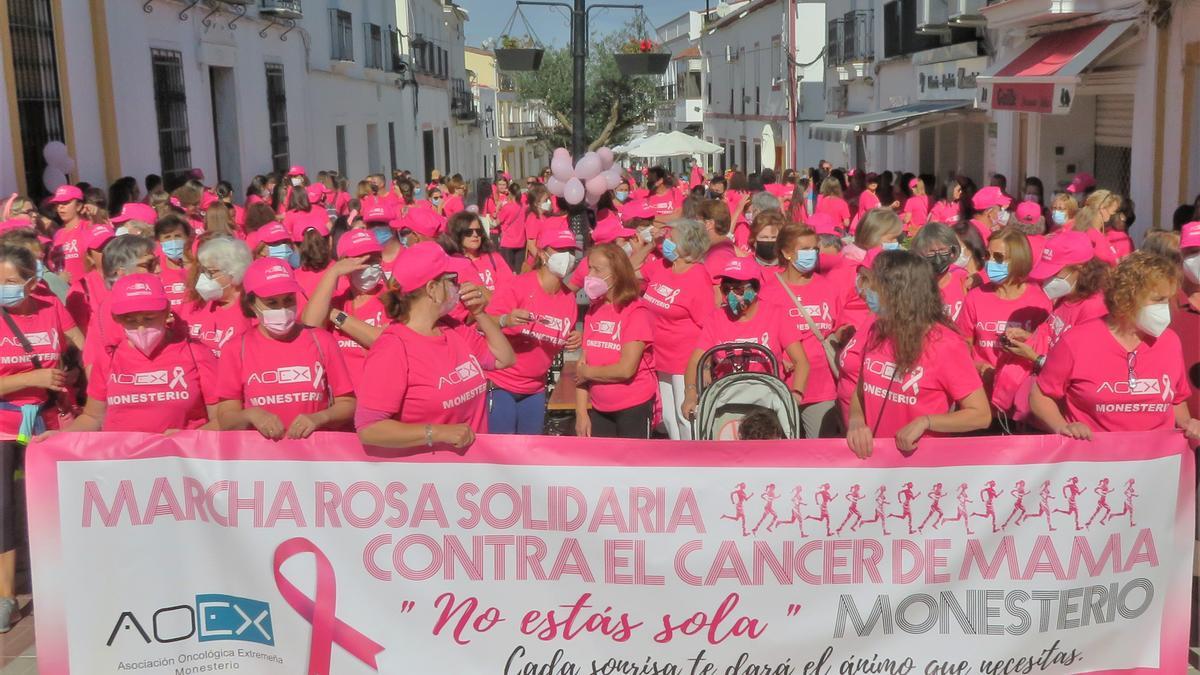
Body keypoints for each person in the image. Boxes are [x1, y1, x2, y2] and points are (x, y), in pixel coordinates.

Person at [0, 243, 86, 630]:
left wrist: (73, 373)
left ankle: (57, 582)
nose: (4, 287)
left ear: (33, 281)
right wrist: (29, 378)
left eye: (11, 281)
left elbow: (85, 350)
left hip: (50, 423)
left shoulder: (52, 308)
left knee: (52, 505)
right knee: (4, 510)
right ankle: (6, 597)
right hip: (4, 427)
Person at [355, 242, 515, 449]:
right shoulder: (393, 347)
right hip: (429, 473)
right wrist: (437, 433)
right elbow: (369, 428)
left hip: (473, 470)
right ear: (432, 289)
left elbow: (505, 359)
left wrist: (480, 313)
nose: (458, 285)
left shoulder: (451, 327)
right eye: (452, 280)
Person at [1031, 252, 1199, 440]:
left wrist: (1187, 423)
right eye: (1158, 300)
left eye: (1168, 299)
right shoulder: (1076, 341)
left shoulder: (1170, 342)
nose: (1165, 308)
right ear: (1126, 297)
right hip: (1097, 461)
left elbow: (1176, 400)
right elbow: (1040, 395)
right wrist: (1064, 427)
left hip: (1155, 462)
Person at [845, 250, 990, 457]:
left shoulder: (945, 345)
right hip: (876, 465)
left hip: (920, 467)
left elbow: (981, 415)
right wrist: (856, 422)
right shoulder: (877, 329)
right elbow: (860, 392)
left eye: (874, 286)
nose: (866, 292)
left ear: (898, 293)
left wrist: (926, 422)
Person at [215, 258, 355, 439]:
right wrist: (251, 415)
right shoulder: (236, 349)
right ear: (252, 304)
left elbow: (348, 403)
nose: (282, 308)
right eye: (272, 303)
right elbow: (226, 418)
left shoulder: (322, 340)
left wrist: (320, 418)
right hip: (262, 459)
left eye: (288, 300)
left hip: (315, 456)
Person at [63, 274, 219, 432]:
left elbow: (221, 420)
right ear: (116, 319)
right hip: (124, 454)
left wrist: (190, 437)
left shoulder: (196, 354)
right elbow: (93, 417)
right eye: (130, 320)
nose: (141, 328)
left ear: (166, 312)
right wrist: (57, 438)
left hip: (179, 455)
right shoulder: (108, 358)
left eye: (149, 318)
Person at [681, 257, 809, 419]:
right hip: (727, 400)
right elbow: (695, 361)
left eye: (739, 290)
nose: (731, 295)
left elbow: (801, 361)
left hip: (767, 400)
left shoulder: (776, 314)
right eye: (726, 289)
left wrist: (795, 395)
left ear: (755, 289)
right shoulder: (716, 318)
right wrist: (691, 395)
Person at [486, 228, 582, 435]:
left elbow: (562, 338)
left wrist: (574, 338)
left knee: (528, 454)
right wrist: (505, 320)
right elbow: (481, 324)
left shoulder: (569, 299)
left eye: (571, 251)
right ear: (542, 253)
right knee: (502, 454)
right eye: (561, 249)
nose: (567, 256)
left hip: (535, 389)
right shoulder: (517, 286)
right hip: (501, 383)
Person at [764, 223, 842, 438]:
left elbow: (837, 328)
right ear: (787, 253)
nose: (813, 254)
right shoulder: (768, 292)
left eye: (815, 249)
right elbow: (761, 333)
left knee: (821, 454)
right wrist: (780, 358)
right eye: (805, 249)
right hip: (782, 386)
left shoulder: (828, 288)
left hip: (822, 387)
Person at [640, 219, 714, 440]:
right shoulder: (663, 267)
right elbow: (630, 268)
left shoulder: (698, 277)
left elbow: (708, 326)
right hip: (660, 356)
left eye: (672, 240)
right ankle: (675, 461)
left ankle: (694, 464)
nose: (667, 243)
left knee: (686, 417)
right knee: (669, 418)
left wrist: (706, 366)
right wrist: (650, 244)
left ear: (687, 246)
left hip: (685, 361)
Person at [575, 243, 657, 438]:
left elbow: (625, 369)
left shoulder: (636, 313)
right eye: (590, 268)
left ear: (617, 274)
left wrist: (588, 372)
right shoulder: (594, 310)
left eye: (597, 269)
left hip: (633, 406)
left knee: (633, 467)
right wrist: (580, 413)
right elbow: (581, 367)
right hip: (599, 408)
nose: (590, 275)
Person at [957, 228, 1051, 399]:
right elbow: (962, 345)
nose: (990, 262)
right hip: (980, 394)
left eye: (998, 257)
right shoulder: (975, 297)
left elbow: (1045, 350)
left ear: (1018, 260)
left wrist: (1028, 337)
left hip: (1021, 395)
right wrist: (978, 367)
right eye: (988, 255)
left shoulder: (1039, 302)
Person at [302, 229, 390, 387]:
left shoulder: (392, 298)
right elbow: (310, 326)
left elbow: (381, 340)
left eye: (374, 259)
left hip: (379, 397)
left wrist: (335, 315)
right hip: (345, 401)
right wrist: (332, 273)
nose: (368, 266)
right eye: (361, 260)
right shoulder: (337, 299)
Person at [184, 236, 254, 358]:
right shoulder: (196, 304)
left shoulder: (250, 311)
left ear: (234, 271)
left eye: (211, 272)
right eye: (203, 271)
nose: (204, 277)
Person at [441, 211, 514, 294]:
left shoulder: (494, 258)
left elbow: (509, 287)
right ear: (458, 234)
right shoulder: (451, 264)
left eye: (478, 231)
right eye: (469, 232)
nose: (475, 235)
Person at [911, 222, 970, 322]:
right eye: (931, 251)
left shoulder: (964, 279)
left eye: (942, 250)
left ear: (953, 251)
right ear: (919, 253)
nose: (937, 258)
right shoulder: (912, 285)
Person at [48, 185, 89, 283]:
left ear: (78, 206)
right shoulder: (57, 234)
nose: (60, 207)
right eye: (58, 203)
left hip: (85, 292)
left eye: (65, 203)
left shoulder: (87, 227)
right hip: (63, 292)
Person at [496, 182, 526, 272]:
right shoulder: (524, 207)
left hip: (508, 243)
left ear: (509, 193)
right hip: (521, 242)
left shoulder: (507, 207)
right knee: (518, 271)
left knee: (508, 271)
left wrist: (498, 209)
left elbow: (497, 221)